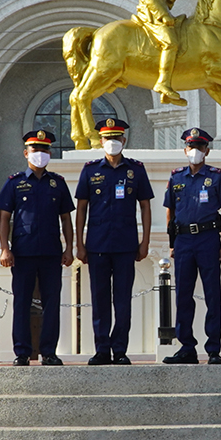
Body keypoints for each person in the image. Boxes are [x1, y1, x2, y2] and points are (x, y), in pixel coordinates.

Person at [71, 117, 152, 365]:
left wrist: (145, 241)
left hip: (126, 245)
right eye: (108, 138)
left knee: (123, 300)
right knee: (100, 299)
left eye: (116, 138)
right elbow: (81, 209)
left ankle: (120, 350)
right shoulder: (90, 170)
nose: (112, 142)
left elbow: (146, 207)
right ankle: (102, 349)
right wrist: (80, 243)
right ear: (101, 141)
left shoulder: (136, 170)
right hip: (96, 245)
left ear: (124, 140)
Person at [0, 130, 75, 366]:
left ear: (49, 153)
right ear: (25, 153)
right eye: (35, 150)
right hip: (22, 253)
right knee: (22, 302)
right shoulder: (14, 183)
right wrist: (4, 248)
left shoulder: (58, 184)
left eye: (44, 150)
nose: (39, 154)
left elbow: (66, 219)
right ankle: (22, 352)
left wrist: (69, 248)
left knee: (52, 302)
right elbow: (4, 218)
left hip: (51, 253)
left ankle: (49, 351)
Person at [162, 128, 221, 364]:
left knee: (212, 294)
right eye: (191, 147)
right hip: (183, 241)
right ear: (185, 150)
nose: (195, 151)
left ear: (207, 150)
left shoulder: (216, 176)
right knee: (183, 294)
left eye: (200, 147)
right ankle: (186, 347)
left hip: (207, 238)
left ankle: (213, 348)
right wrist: (172, 243)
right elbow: (170, 211)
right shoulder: (176, 177)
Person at [133, 0, 184, 106]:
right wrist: (164, 15)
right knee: (171, 43)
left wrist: (168, 1)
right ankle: (163, 83)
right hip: (151, 17)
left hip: (157, 14)